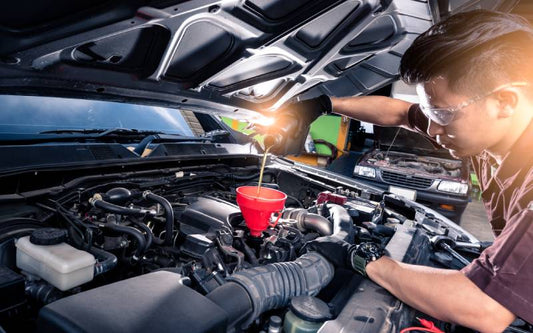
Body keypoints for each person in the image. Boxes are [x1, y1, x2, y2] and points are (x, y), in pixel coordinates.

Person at [270, 9, 533, 332]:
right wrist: (323, 105)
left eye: (443, 114)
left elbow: (486, 309)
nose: (433, 130)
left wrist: (363, 259)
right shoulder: (488, 132)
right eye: (429, 112)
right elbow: (400, 114)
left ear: (505, 101)